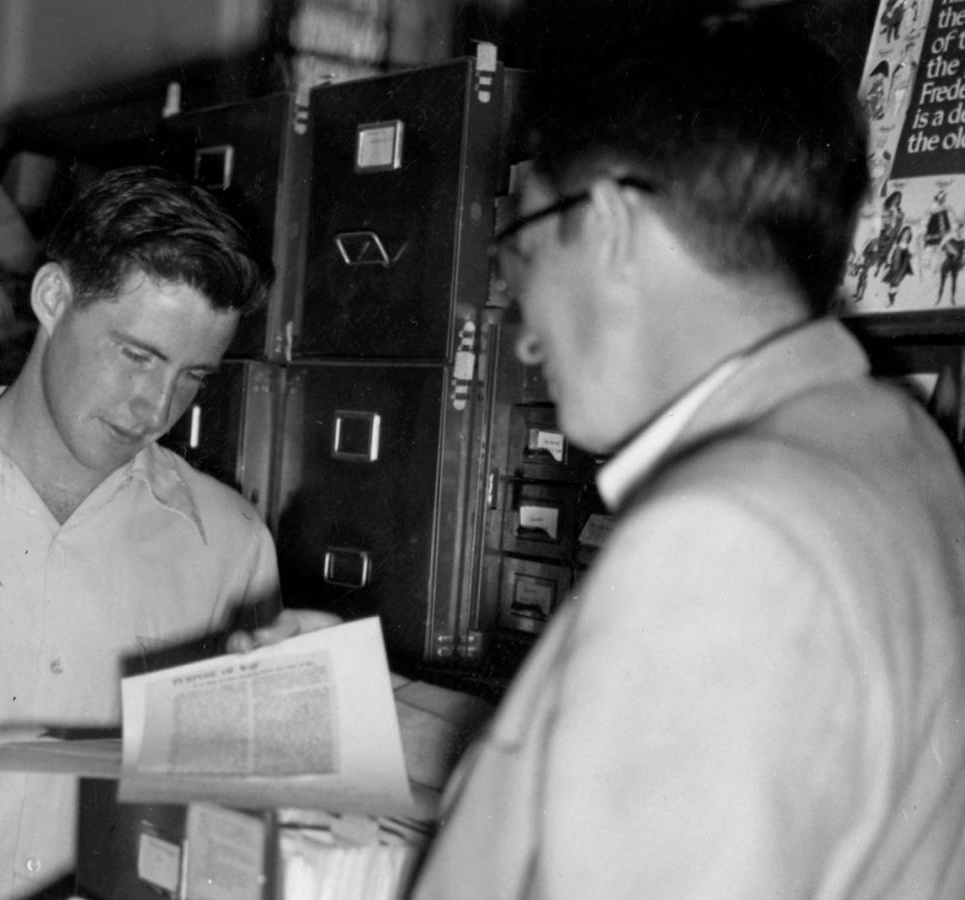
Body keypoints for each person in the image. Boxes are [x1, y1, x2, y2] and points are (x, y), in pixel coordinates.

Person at [413, 17, 965, 900]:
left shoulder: (719, 542)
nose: (520, 340)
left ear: (609, 226)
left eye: (520, 253)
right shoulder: (903, 449)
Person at [0, 164, 324, 899]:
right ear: (53, 298)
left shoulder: (228, 546)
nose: (156, 406)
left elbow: (236, 825)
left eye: (194, 377)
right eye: (137, 356)